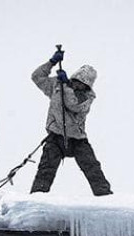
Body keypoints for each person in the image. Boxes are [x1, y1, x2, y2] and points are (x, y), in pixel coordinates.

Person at [29, 49, 112, 196]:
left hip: (78, 140)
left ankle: (107, 199)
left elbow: (72, 104)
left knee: (93, 170)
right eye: (76, 82)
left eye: (82, 84)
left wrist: (66, 85)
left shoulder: (87, 98)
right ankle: (36, 200)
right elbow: (36, 77)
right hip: (55, 136)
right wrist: (52, 62)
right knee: (45, 172)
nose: (78, 86)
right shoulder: (56, 85)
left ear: (87, 87)